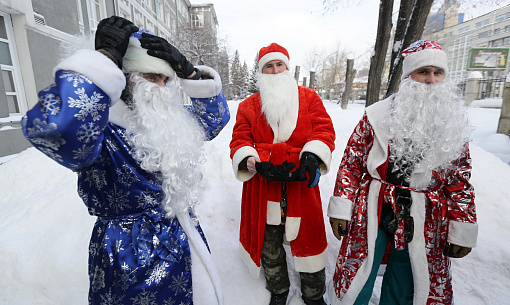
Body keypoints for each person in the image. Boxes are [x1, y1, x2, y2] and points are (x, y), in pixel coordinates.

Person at [22, 16, 229, 305]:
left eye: (164, 79)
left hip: (182, 241)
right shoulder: (99, 126)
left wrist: (191, 74)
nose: (159, 86)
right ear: (124, 78)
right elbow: (56, 129)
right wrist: (102, 60)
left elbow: (212, 121)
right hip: (129, 255)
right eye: (149, 76)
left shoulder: (164, 120)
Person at [327, 40, 478, 305]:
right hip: (374, 207)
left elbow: (459, 179)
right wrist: (342, 206)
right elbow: (352, 162)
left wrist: (462, 226)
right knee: (358, 274)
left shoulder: (451, 123)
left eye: (438, 72)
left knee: (408, 279)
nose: (431, 80)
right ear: (408, 76)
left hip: (424, 215)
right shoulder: (376, 116)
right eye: (423, 71)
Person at [229, 43, 336, 305]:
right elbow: (240, 139)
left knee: (308, 236)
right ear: (261, 71)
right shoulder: (249, 105)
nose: (275, 70)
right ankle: (278, 289)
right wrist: (254, 162)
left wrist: (311, 157)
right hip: (264, 181)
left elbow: (323, 130)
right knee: (269, 241)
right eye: (269, 66)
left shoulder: (309, 98)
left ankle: (314, 294)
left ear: (288, 68)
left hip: (300, 179)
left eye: (280, 65)